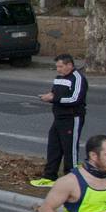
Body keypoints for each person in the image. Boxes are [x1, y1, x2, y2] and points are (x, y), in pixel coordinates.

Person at [31, 53, 88, 187]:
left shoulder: (78, 78)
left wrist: (54, 99)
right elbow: (55, 93)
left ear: (69, 65)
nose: (58, 69)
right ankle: (50, 176)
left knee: (70, 149)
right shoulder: (58, 78)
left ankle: (72, 180)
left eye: (61, 66)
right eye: (57, 66)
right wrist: (49, 96)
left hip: (72, 118)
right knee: (54, 147)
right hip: (58, 117)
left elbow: (75, 99)